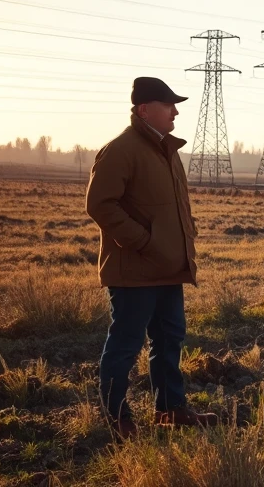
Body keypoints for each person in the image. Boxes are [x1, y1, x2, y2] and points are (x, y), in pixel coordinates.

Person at [86, 76, 216, 439]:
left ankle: (170, 410)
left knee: (170, 339)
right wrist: (143, 242)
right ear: (145, 110)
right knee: (126, 344)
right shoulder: (121, 149)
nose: (175, 112)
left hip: (167, 268)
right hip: (134, 270)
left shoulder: (168, 151)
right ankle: (116, 417)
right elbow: (99, 204)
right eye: (168, 104)